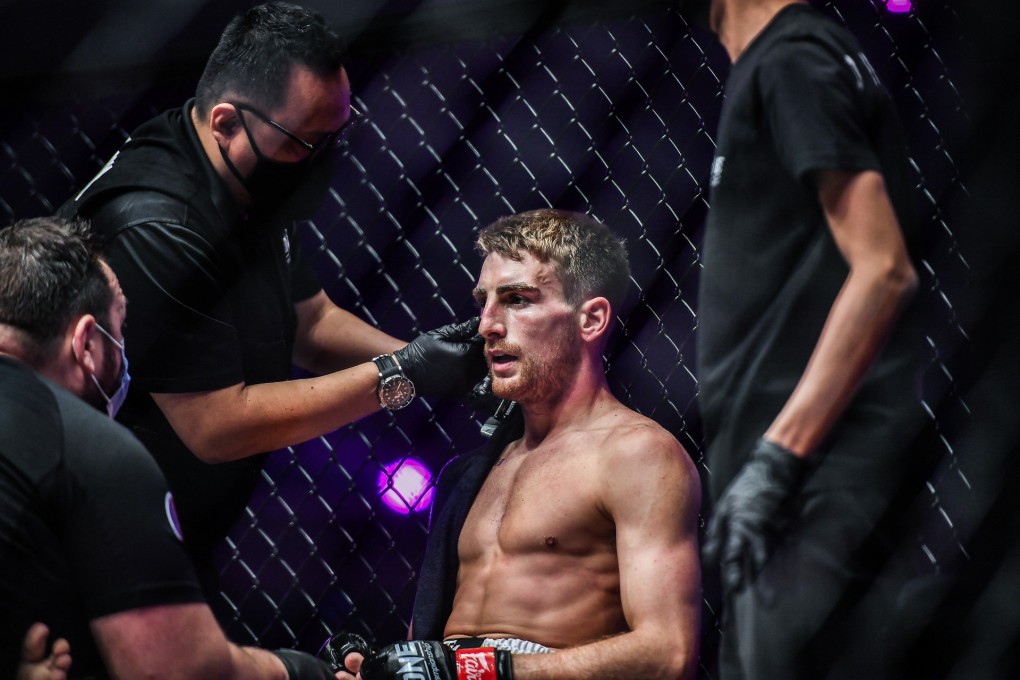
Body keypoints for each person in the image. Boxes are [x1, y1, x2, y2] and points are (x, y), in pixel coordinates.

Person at [57, 1, 486, 593]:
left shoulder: (244, 177)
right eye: (303, 141)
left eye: (333, 136)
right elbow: (218, 426)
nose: (319, 160)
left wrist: (441, 364)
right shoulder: (158, 227)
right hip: (82, 540)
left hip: (157, 527)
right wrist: (400, 376)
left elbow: (310, 322)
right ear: (227, 123)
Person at [322, 209, 703, 680]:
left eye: (517, 300)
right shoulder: (468, 474)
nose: (487, 325)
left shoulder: (637, 455)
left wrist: (478, 670)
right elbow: (436, 655)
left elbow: (667, 653)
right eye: (483, 302)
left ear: (592, 318)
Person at [0, 216, 349, 679]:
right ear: (86, 343)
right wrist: (300, 672)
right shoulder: (90, 448)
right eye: (120, 328)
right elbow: (177, 670)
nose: (125, 352)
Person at [696, 1, 934, 679]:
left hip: (813, 484)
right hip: (788, 487)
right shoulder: (780, 62)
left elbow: (884, 271)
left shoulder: (794, 58)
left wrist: (778, 458)